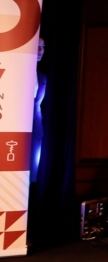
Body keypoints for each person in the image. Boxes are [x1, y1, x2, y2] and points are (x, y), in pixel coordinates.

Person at [31, 37, 47, 183]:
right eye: (37, 45)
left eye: (42, 46)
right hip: (14, 129)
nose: (40, 50)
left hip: (35, 129)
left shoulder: (42, 76)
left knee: (31, 175)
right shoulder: (16, 73)